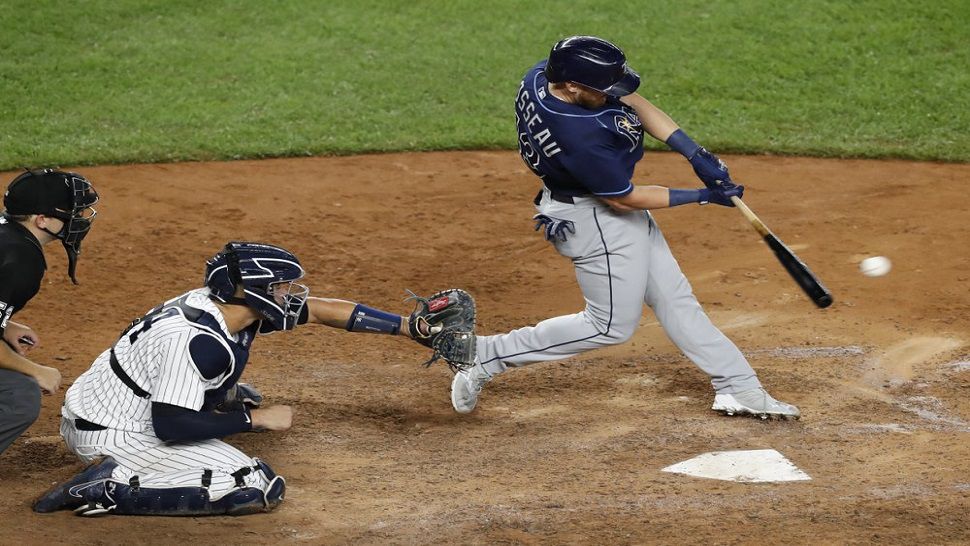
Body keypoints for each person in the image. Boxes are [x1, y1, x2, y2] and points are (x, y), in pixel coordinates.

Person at [449, 36, 800, 420]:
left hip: (598, 208)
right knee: (608, 326)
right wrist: (703, 195)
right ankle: (484, 355)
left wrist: (694, 152)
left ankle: (739, 386)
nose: (611, 94)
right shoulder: (578, 136)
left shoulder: (543, 77)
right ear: (572, 86)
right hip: (595, 219)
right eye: (603, 89)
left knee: (674, 299)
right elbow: (623, 199)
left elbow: (631, 101)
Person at [33, 241, 442, 517]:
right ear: (251, 289)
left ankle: (204, 414)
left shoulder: (222, 305)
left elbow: (318, 309)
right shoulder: (200, 342)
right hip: (115, 432)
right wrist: (255, 420)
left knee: (228, 395)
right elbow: (171, 426)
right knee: (251, 485)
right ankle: (106, 486)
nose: (288, 294)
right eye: (280, 287)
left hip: (104, 402)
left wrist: (410, 327)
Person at [0, 169, 99, 457]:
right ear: (41, 220)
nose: (78, 219)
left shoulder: (6, 233)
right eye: (71, 212)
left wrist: (6, 326)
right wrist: (37, 370)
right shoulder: (20, 259)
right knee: (20, 396)